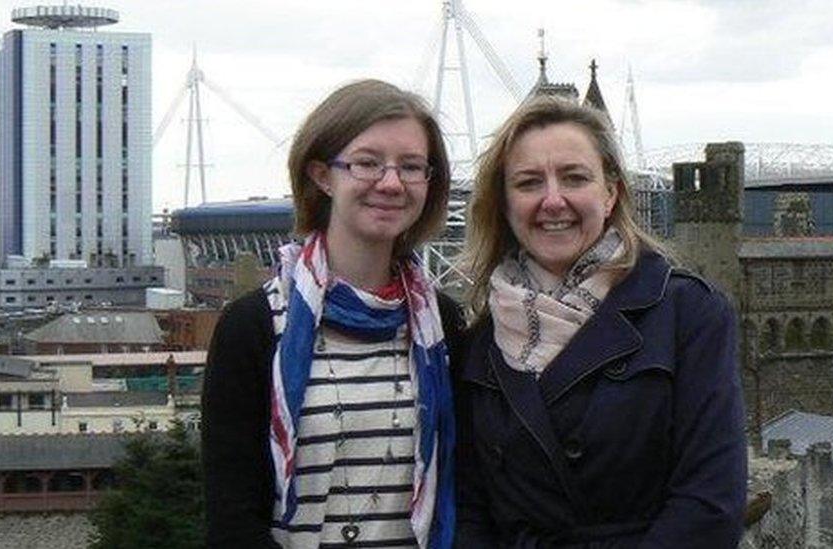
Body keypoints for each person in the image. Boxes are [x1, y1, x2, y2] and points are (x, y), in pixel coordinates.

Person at [455, 96, 747, 547]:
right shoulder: (479, 342)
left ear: (610, 194)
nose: (554, 200)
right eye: (529, 183)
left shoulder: (687, 313)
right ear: (505, 204)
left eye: (575, 178)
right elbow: (469, 508)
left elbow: (710, 505)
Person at [202, 79, 463, 549]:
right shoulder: (256, 326)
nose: (390, 182)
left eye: (411, 167)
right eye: (366, 163)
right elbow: (232, 518)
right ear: (322, 175)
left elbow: (470, 485)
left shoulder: (441, 323)